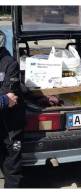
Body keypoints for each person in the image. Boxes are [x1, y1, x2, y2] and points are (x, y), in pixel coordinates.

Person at [0, 30, 25, 188]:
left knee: (12, 169)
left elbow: (10, 94)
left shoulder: (9, 63)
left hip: (10, 127)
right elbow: (5, 98)